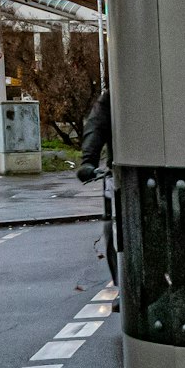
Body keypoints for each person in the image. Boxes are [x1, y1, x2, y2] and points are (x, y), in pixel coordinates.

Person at [78, 89, 118, 288]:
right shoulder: (114, 96)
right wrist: (89, 161)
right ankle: (122, 284)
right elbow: (96, 125)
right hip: (120, 173)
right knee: (113, 228)